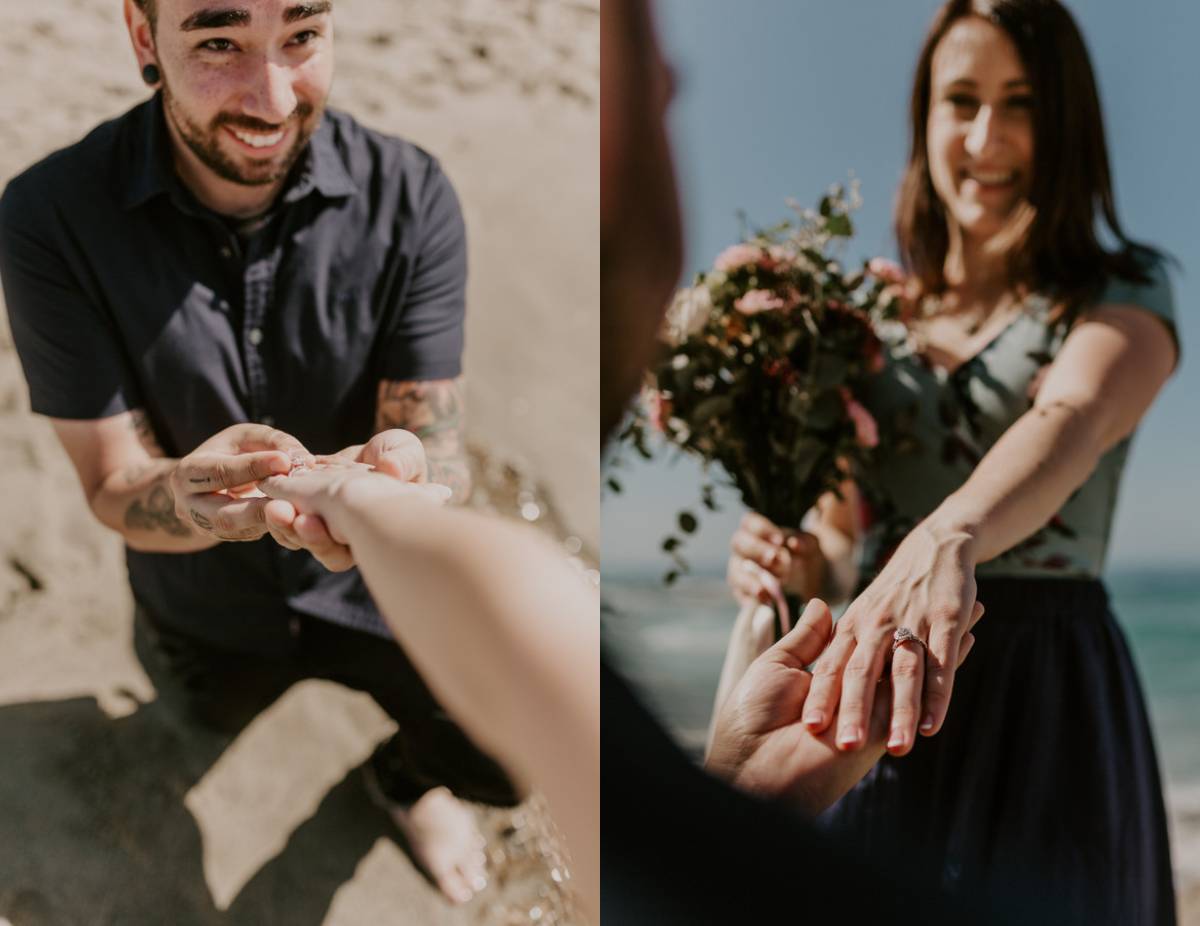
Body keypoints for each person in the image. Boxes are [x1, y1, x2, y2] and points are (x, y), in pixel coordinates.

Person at [0, 0, 518, 904]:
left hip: (380, 588)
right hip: (201, 603)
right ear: (141, 37)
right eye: (218, 43)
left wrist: (407, 473)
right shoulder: (49, 218)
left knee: (504, 756)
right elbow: (111, 483)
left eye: (303, 37)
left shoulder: (414, 195)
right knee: (200, 714)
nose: (272, 97)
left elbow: (438, 442)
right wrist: (192, 499)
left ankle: (402, 781)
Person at [727, 0, 1178, 920]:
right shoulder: (866, 329)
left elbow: (1077, 414)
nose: (987, 135)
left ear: (1067, 122)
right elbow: (847, 542)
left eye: (1021, 102)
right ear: (924, 121)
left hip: (1051, 694)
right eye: (960, 100)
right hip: (882, 684)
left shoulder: (1122, 287)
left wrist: (950, 533)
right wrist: (800, 565)